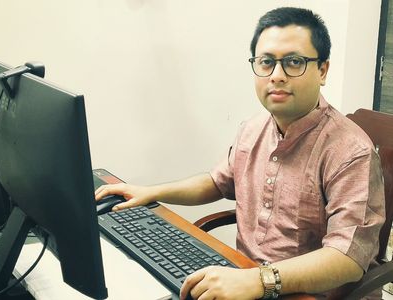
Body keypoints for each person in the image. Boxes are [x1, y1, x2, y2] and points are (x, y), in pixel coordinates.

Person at [95, 7, 385, 300]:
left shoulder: (350, 152)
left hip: (308, 293)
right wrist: (149, 192)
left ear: (322, 70)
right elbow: (217, 181)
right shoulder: (253, 128)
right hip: (245, 278)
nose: (277, 76)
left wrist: (259, 281)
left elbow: (347, 258)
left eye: (294, 62)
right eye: (266, 62)